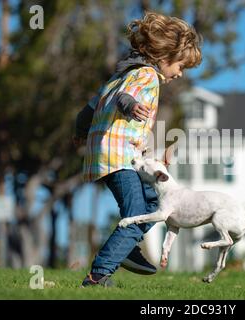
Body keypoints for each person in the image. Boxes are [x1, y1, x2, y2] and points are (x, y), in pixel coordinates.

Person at [73, 12, 202, 287]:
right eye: (180, 66)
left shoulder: (117, 76)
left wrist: (79, 132)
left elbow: (86, 111)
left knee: (155, 204)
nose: (179, 73)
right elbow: (124, 97)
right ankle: (98, 276)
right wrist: (131, 106)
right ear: (164, 57)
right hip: (119, 157)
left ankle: (126, 248)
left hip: (107, 156)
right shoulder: (146, 75)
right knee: (135, 214)